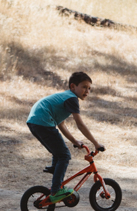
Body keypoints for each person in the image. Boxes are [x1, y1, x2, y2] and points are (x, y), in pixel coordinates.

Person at [26, 71, 104, 203]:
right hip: (42, 122)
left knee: (59, 152)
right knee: (64, 155)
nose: (87, 91)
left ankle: (55, 169)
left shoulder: (65, 98)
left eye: (89, 88)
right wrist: (96, 143)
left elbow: (60, 124)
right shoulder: (72, 99)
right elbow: (80, 124)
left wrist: (74, 141)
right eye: (84, 87)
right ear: (73, 86)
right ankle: (56, 191)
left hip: (35, 122)